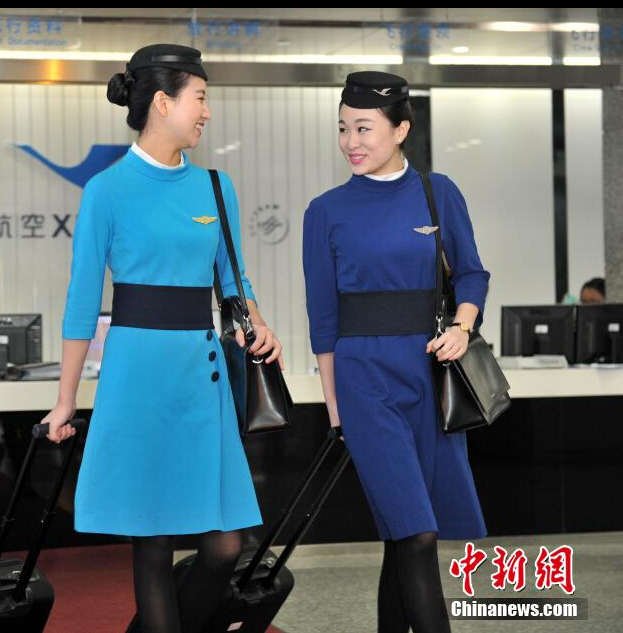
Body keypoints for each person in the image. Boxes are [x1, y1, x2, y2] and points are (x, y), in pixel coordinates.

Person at [42, 44, 283, 633]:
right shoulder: (106, 189)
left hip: (201, 382)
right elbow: (79, 304)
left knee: (224, 547)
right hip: (136, 378)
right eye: (199, 98)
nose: (206, 113)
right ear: (162, 102)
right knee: (151, 544)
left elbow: (234, 279)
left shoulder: (216, 187)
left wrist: (258, 322)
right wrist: (66, 398)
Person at [303, 72, 490, 633]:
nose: (350, 141)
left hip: (431, 378)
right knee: (417, 531)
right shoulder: (325, 211)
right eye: (342, 128)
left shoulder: (439, 192)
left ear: (401, 128)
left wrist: (462, 327)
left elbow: (473, 274)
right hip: (366, 385)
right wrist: (334, 404)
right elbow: (324, 319)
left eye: (363, 127)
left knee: (402, 535)